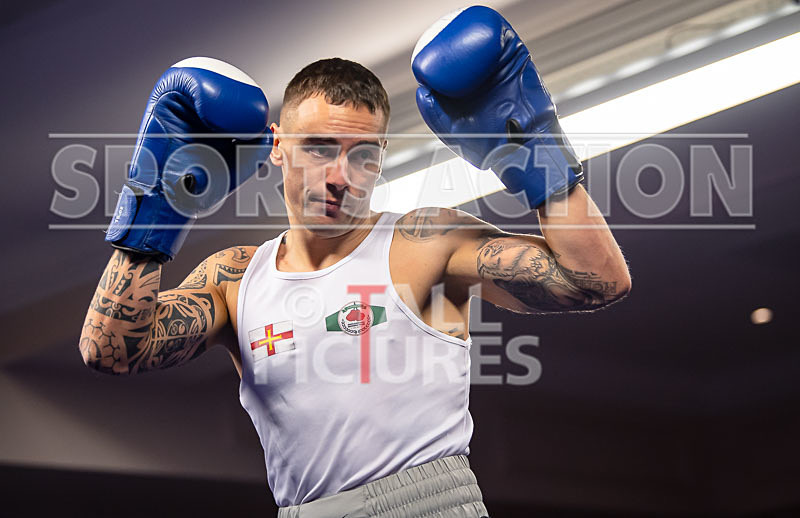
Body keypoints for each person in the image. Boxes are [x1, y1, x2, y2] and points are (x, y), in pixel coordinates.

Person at [79, 6, 631, 517]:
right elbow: (109, 350)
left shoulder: (424, 241)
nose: (340, 176)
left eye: (363, 155)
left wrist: (533, 145)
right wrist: (159, 206)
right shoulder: (235, 278)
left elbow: (596, 281)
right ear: (276, 146)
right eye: (319, 147)